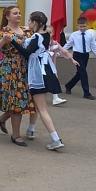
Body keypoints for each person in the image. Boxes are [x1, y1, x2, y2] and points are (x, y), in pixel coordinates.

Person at [10, 11, 73, 151]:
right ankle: (31, 129)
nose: (28, 23)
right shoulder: (46, 35)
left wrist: (12, 41)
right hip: (45, 69)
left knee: (42, 108)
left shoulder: (37, 36)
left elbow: (26, 53)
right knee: (38, 104)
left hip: (37, 72)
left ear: (35, 22)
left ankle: (55, 139)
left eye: (30, 21)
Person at [0, 6, 36, 147]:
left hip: (25, 69)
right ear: (7, 16)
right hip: (9, 69)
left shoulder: (27, 31)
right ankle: (16, 135)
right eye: (15, 13)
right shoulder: (1, 32)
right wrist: (3, 41)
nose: (19, 15)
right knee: (16, 101)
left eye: (19, 13)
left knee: (20, 100)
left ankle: (2, 119)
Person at [63, 16, 96, 100]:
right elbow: (68, 44)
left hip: (85, 55)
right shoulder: (74, 35)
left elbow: (94, 47)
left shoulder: (90, 35)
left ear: (87, 25)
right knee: (83, 73)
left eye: (84, 26)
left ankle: (69, 85)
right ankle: (86, 93)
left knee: (80, 73)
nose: (82, 28)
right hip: (77, 55)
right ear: (77, 26)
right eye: (80, 26)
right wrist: (60, 51)